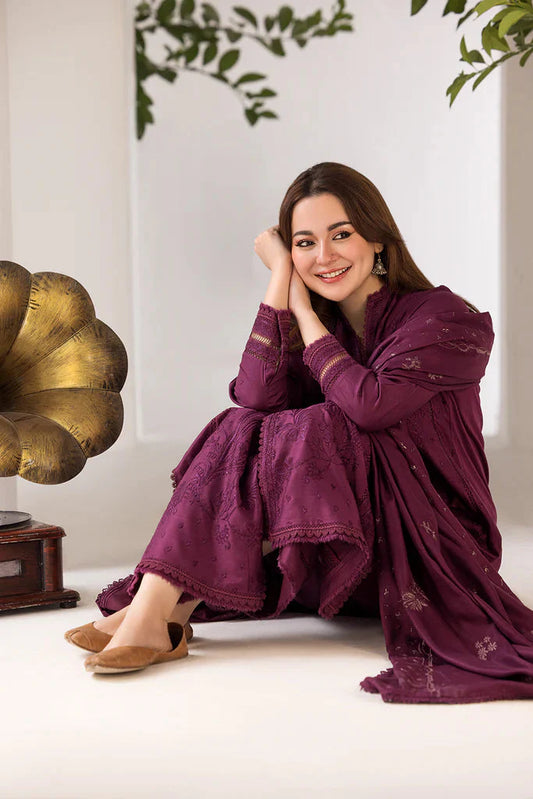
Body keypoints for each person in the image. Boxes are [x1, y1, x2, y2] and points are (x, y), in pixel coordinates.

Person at [65, 162, 533, 702]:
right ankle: (159, 612)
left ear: (377, 237)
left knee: (323, 423)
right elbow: (254, 397)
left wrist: (304, 314)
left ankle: (157, 610)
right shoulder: (328, 322)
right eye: (305, 243)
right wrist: (279, 282)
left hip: (424, 556)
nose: (324, 256)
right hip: (328, 556)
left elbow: (370, 406)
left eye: (342, 235)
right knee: (248, 425)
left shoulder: (448, 319)